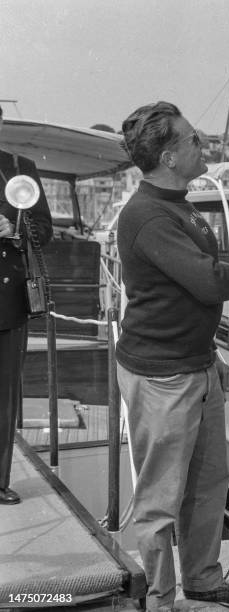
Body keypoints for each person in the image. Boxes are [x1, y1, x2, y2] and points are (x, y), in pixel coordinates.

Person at [117, 101, 229, 611]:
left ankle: (203, 580)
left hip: (196, 366)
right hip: (162, 376)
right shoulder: (148, 215)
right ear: (167, 156)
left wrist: (211, 358)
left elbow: (191, 286)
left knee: (209, 483)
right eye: (192, 139)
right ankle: (161, 600)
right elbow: (209, 282)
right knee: (161, 500)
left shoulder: (178, 205)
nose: (201, 142)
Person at [0, 104, 53, 505]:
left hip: (6, 302)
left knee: (3, 395)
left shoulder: (19, 167)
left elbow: (44, 231)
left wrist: (14, 228)